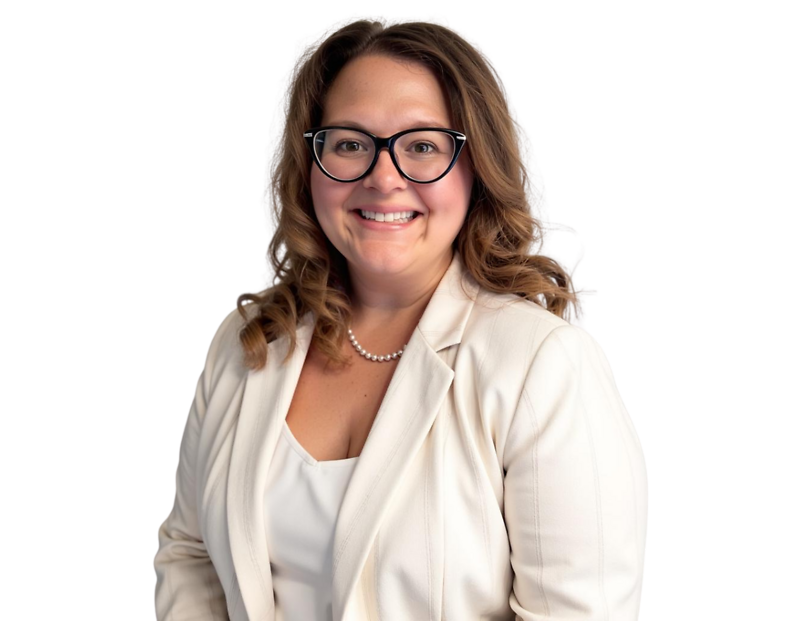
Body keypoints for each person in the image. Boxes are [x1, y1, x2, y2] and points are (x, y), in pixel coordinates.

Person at [153, 14, 650, 621]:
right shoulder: (244, 342)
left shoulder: (544, 366)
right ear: (311, 165)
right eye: (349, 143)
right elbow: (191, 554)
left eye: (422, 146)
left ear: (477, 168)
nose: (382, 178)